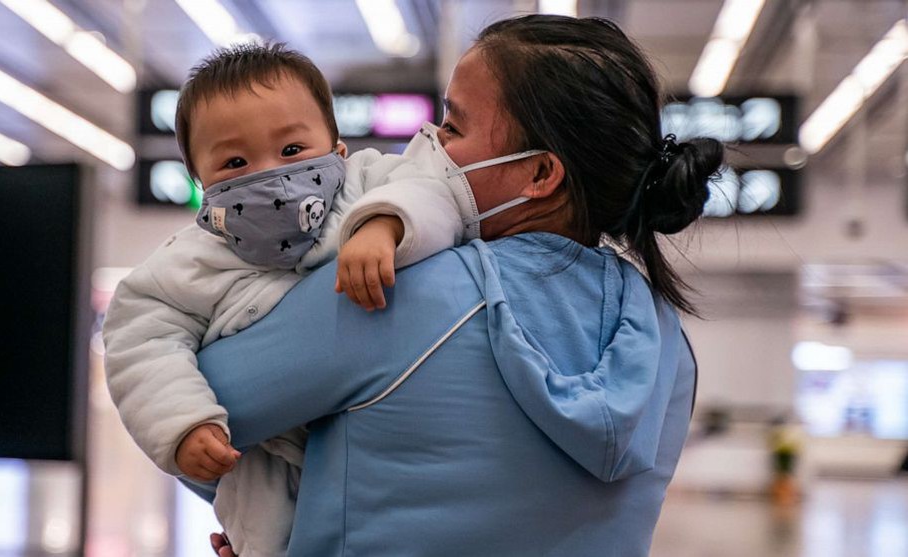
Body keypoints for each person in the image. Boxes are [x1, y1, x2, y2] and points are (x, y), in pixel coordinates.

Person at [198, 14, 723, 557]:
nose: (430, 145)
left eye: (453, 127)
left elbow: (193, 413)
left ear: (540, 174)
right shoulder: (666, 339)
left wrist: (271, 523)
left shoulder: (399, 291)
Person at [102, 44, 465, 557]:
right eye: (234, 162)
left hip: (388, 444)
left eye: (292, 151)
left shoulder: (367, 184)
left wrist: (384, 222)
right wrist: (182, 423)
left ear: (337, 148)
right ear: (200, 184)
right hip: (269, 474)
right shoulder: (189, 260)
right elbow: (139, 339)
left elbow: (433, 189)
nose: (268, 174)